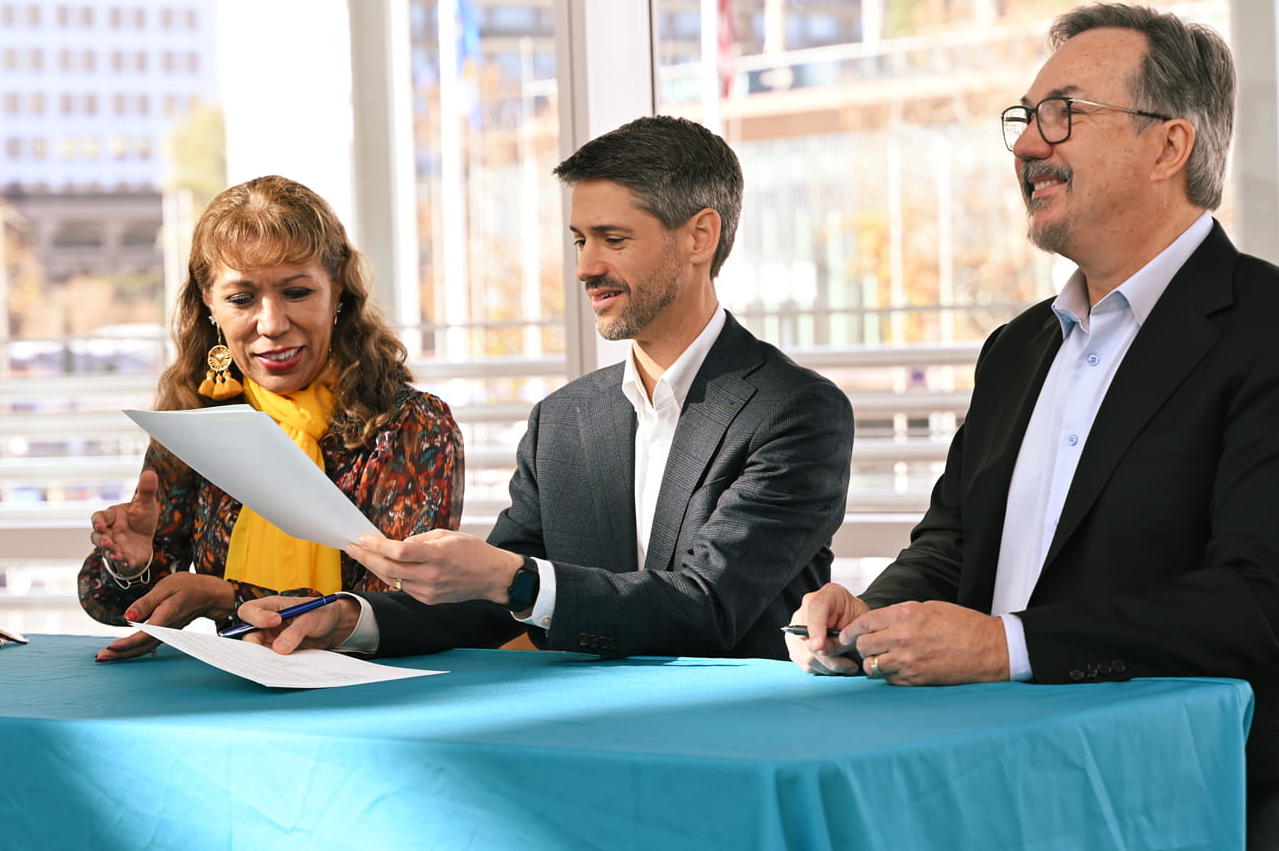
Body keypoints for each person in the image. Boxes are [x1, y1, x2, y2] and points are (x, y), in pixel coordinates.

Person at [786, 3, 1279, 851]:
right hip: (1018, 773)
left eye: (1062, 114)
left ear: (1168, 145)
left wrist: (1003, 644)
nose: (1027, 144)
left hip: (1249, 798)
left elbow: (1268, 605)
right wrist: (872, 615)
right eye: (1023, 116)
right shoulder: (1015, 349)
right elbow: (954, 544)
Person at [236, 115, 853, 660]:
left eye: (613, 239)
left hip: (735, 744)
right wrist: (350, 619)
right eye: (581, 241)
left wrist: (517, 580)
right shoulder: (562, 420)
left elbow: (708, 608)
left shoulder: (795, 411)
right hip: (573, 738)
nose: (585, 266)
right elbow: (483, 601)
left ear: (700, 236)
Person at [80, 175, 463, 661]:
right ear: (208, 303)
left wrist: (228, 597)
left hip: (376, 696)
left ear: (337, 287)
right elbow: (117, 605)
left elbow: (408, 604)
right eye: (242, 299)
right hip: (238, 691)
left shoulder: (410, 425)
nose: (273, 324)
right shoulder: (198, 421)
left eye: (297, 292)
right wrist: (133, 565)